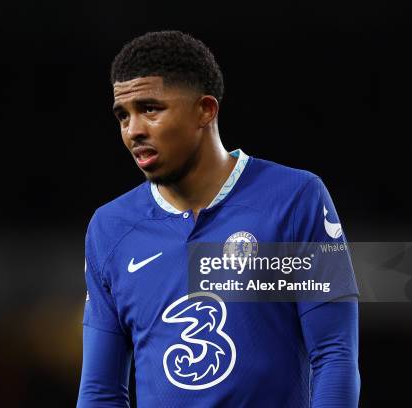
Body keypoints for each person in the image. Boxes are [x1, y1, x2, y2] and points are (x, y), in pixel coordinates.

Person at [77, 30, 360, 407]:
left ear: (205, 110)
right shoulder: (109, 228)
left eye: (150, 108)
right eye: (122, 115)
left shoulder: (295, 199)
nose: (133, 131)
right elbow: (100, 392)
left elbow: (335, 356)